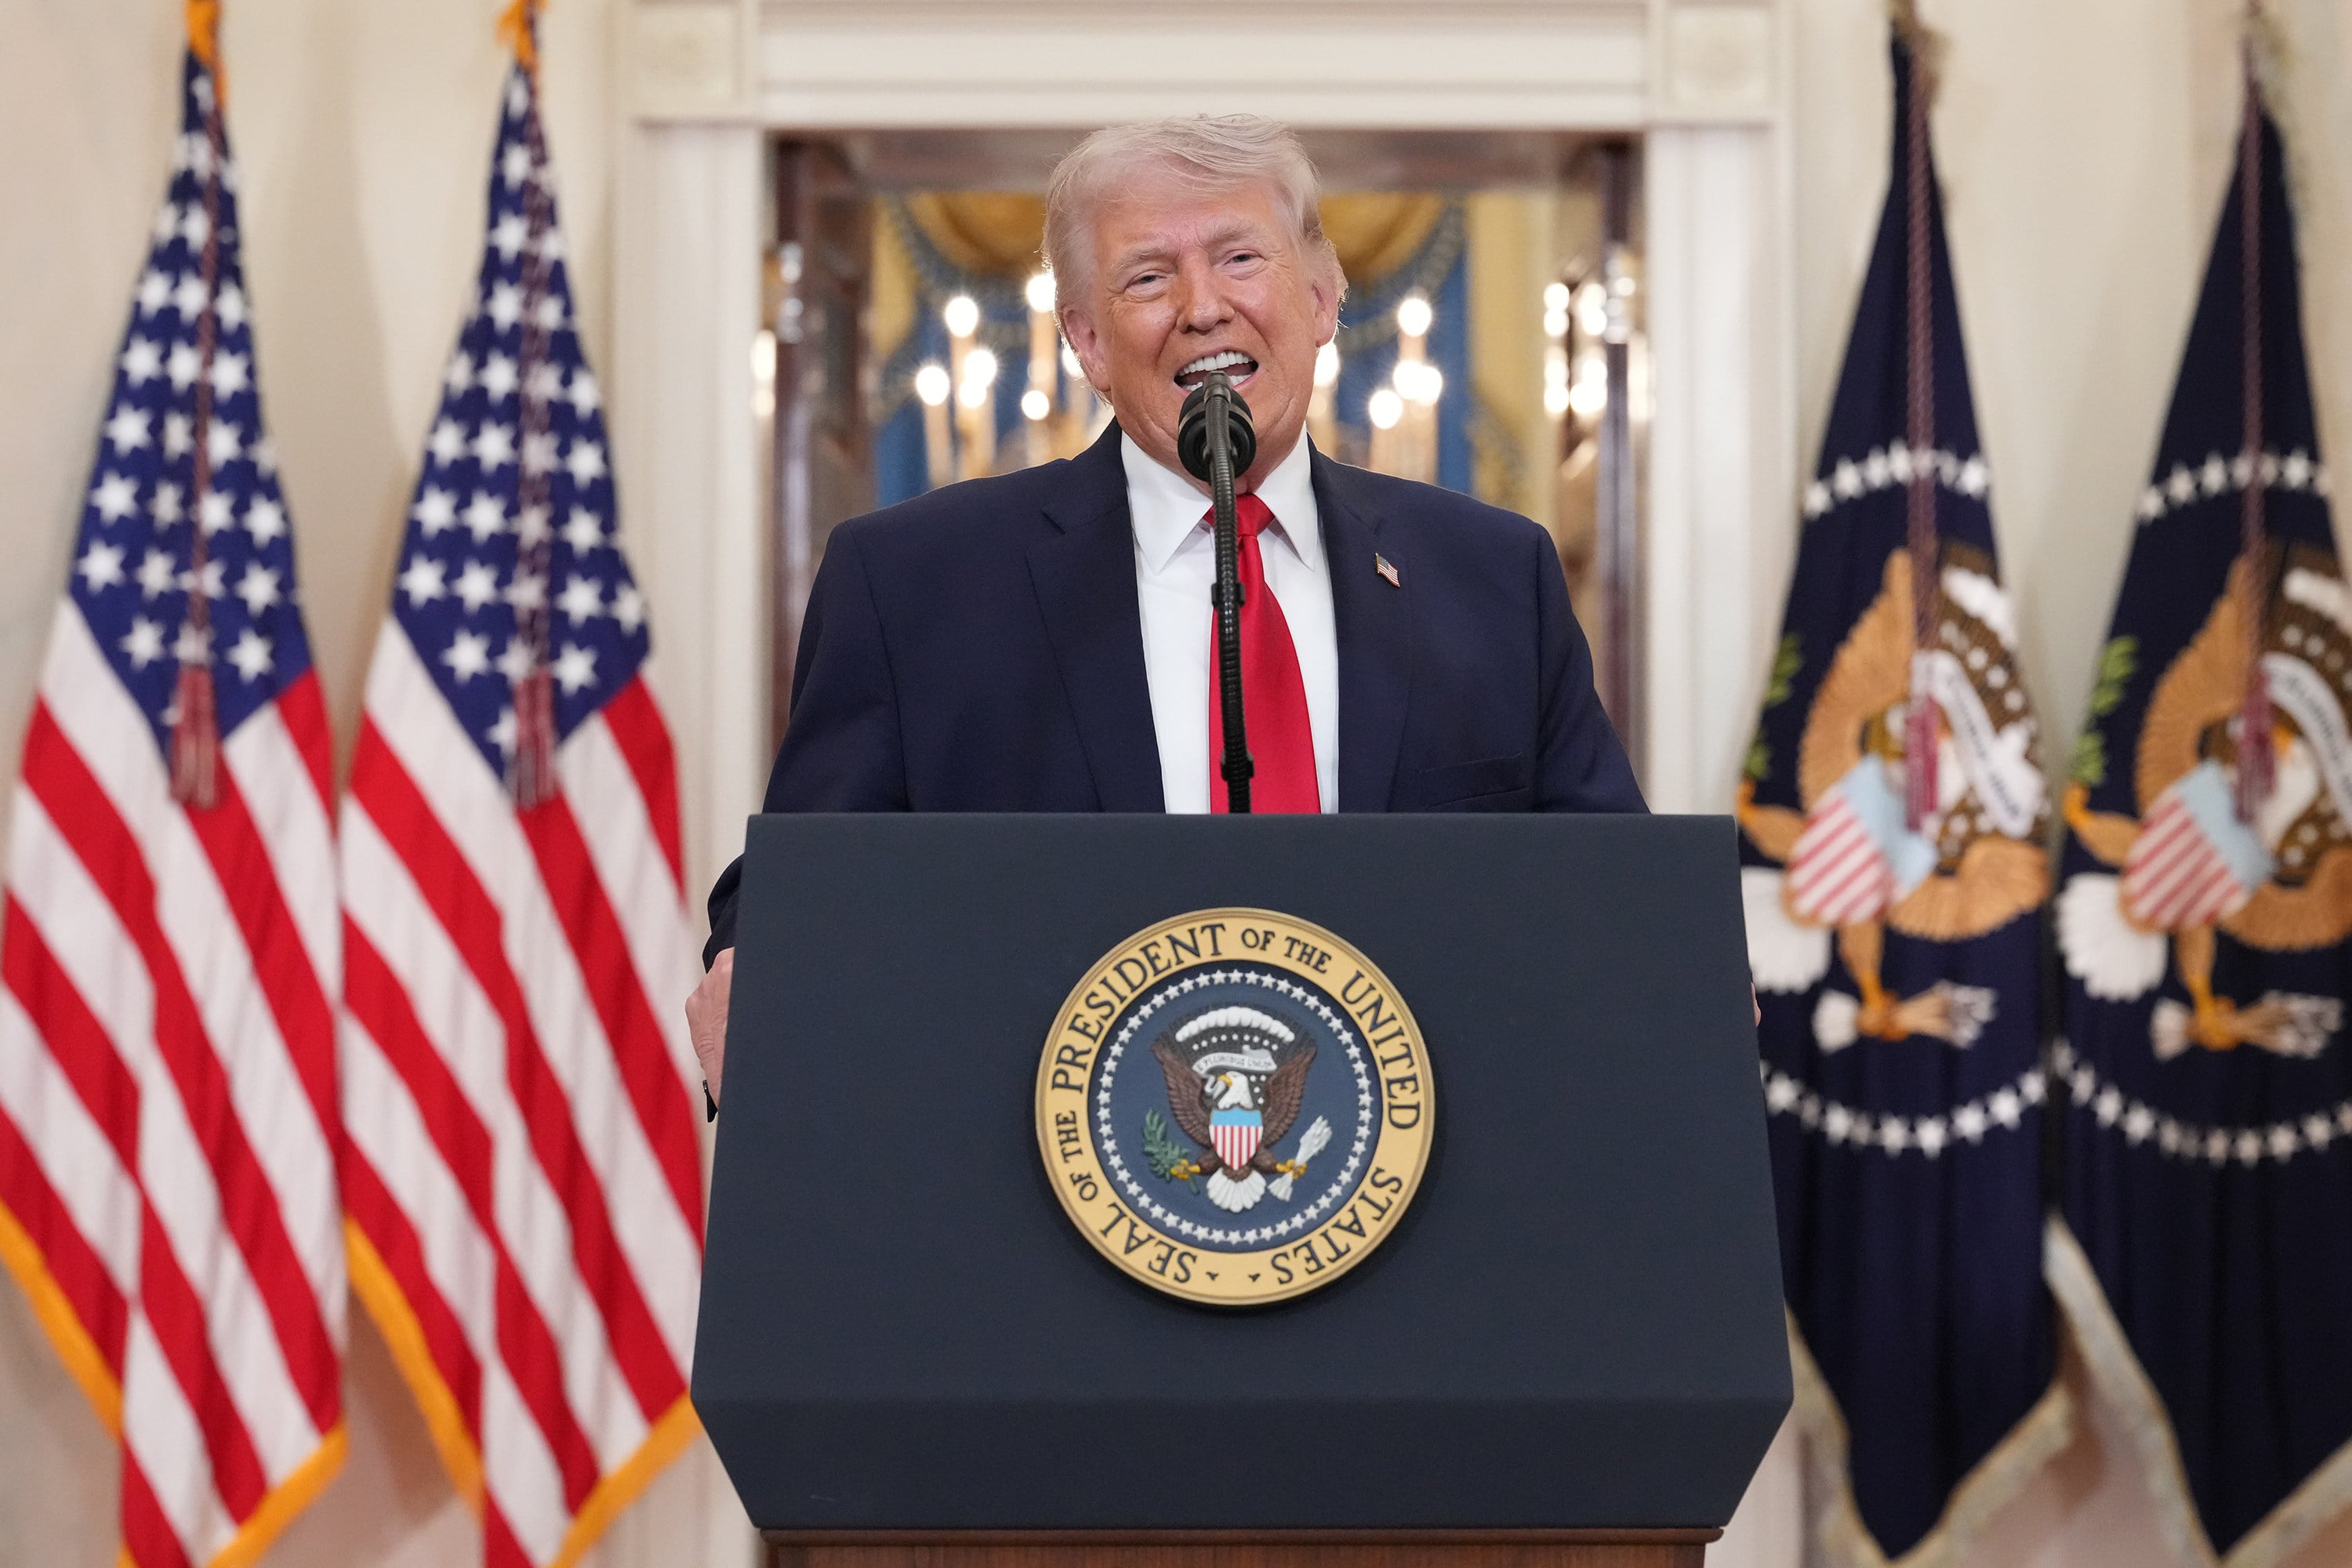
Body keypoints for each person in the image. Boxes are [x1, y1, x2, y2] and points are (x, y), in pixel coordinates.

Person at [687, 114, 1644, 1104]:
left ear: (1322, 298)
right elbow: (803, 883)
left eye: (1241, 258)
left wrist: (1673, 965)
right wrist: (753, 960)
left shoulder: (1491, 575)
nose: (1202, 307)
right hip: (1046, 1192)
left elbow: (1609, 887)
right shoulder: (913, 583)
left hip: (1423, 1185)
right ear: (1089, 343)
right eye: (1148, 276)